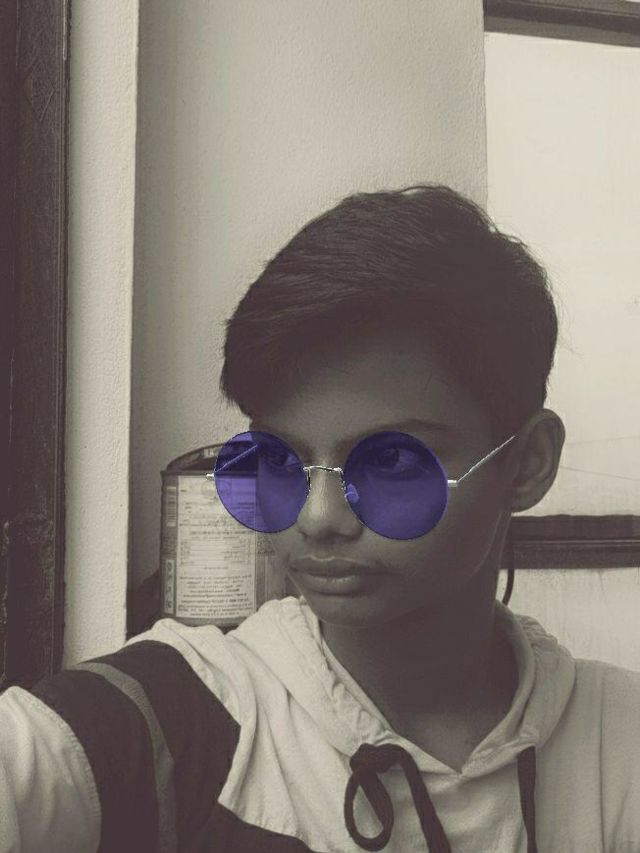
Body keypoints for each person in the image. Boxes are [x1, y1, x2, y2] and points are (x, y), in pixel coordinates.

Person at [1, 185, 639, 852]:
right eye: (280, 460)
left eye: (391, 460)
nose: (318, 517)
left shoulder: (619, 748)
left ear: (528, 463)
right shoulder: (179, 721)